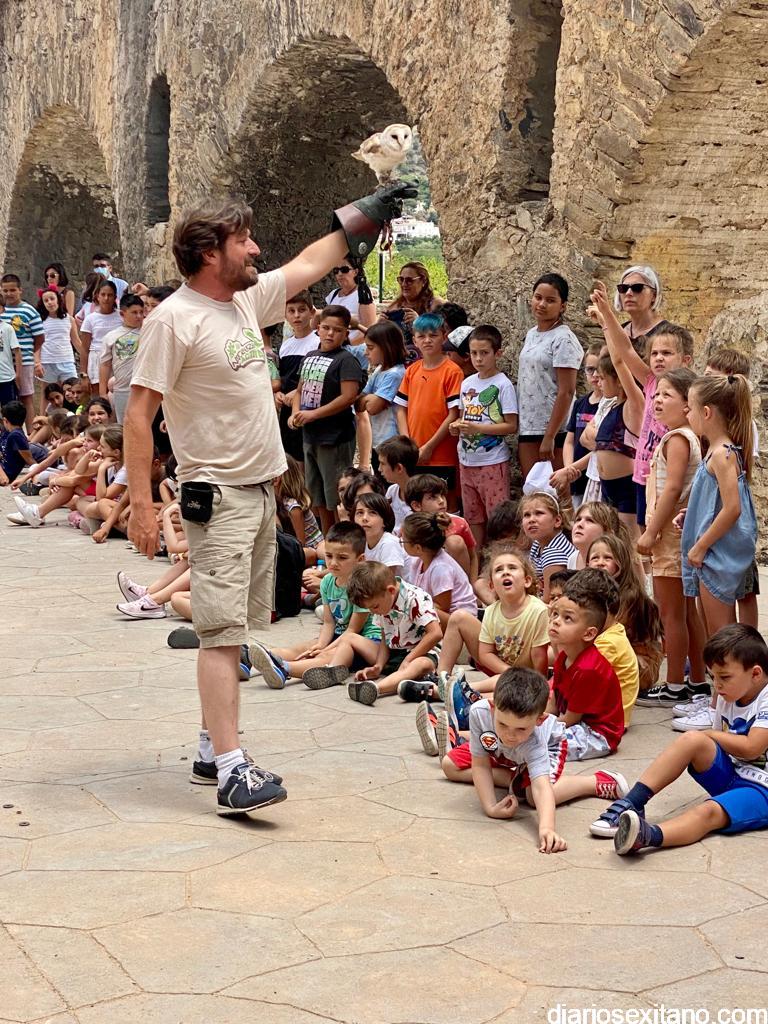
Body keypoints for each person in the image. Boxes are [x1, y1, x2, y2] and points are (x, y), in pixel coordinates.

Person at [125, 186, 411, 816]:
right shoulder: (174, 320)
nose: (256, 248)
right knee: (221, 633)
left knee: (239, 629)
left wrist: (366, 214)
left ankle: (210, 747)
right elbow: (139, 416)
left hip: (258, 492)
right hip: (217, 494)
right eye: (243, 239)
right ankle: (232, 770)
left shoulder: (244, 299)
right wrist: (142, 505)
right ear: (209, 252)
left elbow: (310, 262)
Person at [593, 624, 768, 854]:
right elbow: (715, 743)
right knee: (692, 739)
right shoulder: (729, 693)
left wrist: (710, 735)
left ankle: (647, 836)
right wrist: (704, 739)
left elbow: (752, 748)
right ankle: (633, 802)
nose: (717, 685)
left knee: (708, 812)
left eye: (724, 677)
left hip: (761, 790)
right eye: (713, 676)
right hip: (734, 774)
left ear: (755, 673)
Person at [434, 667, 627, 849]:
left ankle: (594, 782)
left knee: (533, 796)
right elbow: (481, 764)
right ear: (492, 707)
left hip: (549, 745)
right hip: (502, 748)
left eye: (520, 728)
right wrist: (490, 807)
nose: (510, 734)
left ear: (539, 720)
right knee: (449, 765)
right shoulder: (479, 713)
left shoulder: (536, 737)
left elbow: (541, 787)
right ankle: (518, 780)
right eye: (503, 724)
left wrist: (546, 829)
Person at [590, 279, 691, 533]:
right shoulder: (649, 382)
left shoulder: (692, 391)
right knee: (644, 539)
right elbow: (624, 350)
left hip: (668, 477)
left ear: (685, 360)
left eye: (666, 354)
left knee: (664, 540)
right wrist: (607, 313)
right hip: (643, 474)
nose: (658, 358)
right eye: (654, 354)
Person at [636, 367, 707, 710]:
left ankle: (676, 683)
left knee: (671, 613)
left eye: (667, 395)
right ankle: (697, 680)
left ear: (687, 404)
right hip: (679, 533)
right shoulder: (687, 437)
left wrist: (651, 532)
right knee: (687, 612)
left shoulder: (677, 439)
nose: (658, 400)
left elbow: (674, 488)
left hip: (668, 536)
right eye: (657, 394)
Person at [420, 544, 548, 733]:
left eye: (512, 568)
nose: (505, 572)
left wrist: (537, 686)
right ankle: (443, 681)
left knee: (499, 691)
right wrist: (508, 672)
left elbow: (539, 656)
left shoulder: (538, 610)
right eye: (499, 570)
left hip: (527, 677)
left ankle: (459, 696)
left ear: (527, 580)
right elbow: (485, 653)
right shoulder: (491, 611)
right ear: (491, 585)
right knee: (458, 617)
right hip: (501, 668)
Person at [249, 521, 383, 689]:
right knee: (308, 647)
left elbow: (352, 631)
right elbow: (328, 622)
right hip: (340, 636)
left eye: (342, 558)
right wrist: (320, 644)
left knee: (327, 654)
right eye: (329, 556)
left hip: (364, 642)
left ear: (360, 559)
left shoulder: (362, 586)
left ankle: (285, 668)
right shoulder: (327, 581)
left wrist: (325, 649)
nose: (333, 563)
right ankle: (253, 660)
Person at [681, 373, 757, 636]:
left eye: (690, 408)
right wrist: (692, 513)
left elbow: (733, 508)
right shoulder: (716, 451)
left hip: (716, 555)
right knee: (713, 632)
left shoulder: (723, 454)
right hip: (711, 553)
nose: (686, 413)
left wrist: (700, 546)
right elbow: (716, 500)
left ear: (706, 412)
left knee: (721, 635)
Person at [289, 304, 364, 535]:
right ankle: (327, 537)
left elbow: (348, 396)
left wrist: (313, 414)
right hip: (310, 436)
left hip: (334, 437)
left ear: (345, 333)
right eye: (326, 328)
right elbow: (299, 391)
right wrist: (295, 413)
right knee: (317, 494)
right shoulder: (310, 357)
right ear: (318, 329)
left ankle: (342, 537)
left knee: (336, 496)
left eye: (337, 330)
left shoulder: (346, 360)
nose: (330, 334)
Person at [706, 347, 760, 631]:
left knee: (743, 588)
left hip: (732, 516)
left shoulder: (740, 426)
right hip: (720, 511)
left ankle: (746, 644)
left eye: (710, 377)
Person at [449, 325, 518, 545]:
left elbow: (511, 425)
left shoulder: (503, 385)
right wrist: (457, 427)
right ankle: (477, 558)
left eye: (484, 353)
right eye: (474, 353)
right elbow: (463, 417)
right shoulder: (467, 383)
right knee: (473, 517)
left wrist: (478, 429)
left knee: (497, 518)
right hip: (467, 459)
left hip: (492, 460)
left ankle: (500, 555)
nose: (478, 359)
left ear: (498, 353)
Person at [547, 573, 625, 760]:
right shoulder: (563, 656)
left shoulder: (588, 668)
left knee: (536, 744)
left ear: (589, 634)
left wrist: (539, 728)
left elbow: (570, 719)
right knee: (524, 729)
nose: (556, 621)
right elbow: (554, 702)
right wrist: (539, 719)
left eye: (567, 618)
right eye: (555, 614)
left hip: (597, 735)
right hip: (574, 724)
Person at [344, 560, 443, 706]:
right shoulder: (382, 601)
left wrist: (409, 659)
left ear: (390, 590)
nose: (373, 612)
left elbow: (435, 633)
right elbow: (385, 635)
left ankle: (375, 689)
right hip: (394, 653)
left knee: (420, 665)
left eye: (374, 607)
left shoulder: (415, 598)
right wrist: (378, 666)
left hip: (422, 653)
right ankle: (333, 667)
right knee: (350, 638)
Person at [516, 273, 583, 480]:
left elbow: (566, 391)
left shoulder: (564, 339)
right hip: (529, 425)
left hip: (555, 429)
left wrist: (550, 436)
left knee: (558, 489)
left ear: (563, 306)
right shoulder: (532, 334)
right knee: (532, 488)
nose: (542, 304)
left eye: (550, 300)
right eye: (538, 297)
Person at [394, 312, 463, 498]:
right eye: (421, 336)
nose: (427, 340)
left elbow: (453, 414)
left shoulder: (452, 371)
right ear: (414, 340)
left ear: (444, 337)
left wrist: (429, 447)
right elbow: (401, 408)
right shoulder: (412, 371)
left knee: (444, 501)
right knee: (418, 500)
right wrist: (407, 444)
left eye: (433, 335)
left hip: (442, 454)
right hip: (414, 453)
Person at [587, 533, 664, 692]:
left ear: (621, 563)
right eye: (595, 558)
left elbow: (613, 636)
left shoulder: (629, 596)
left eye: (608, 558)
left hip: (640, 662)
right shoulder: (590, 591)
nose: (600, 563)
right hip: (611, 653)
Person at [401, 511, 477, 632]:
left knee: (418, 607)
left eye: (403, 540)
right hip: (441, 614)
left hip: (460, 621)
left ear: (418, 548)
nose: (401, 542)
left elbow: (442, 606)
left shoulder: (440, 568)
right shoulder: (417, 561)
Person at [592, 353, 643, 535]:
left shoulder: (633, 406)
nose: (598, 383)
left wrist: (610, 334)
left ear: (620, 380)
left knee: (629, 542)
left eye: (603, 378)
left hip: (626, 488)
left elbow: (620, 361)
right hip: (607, 487)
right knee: (611, 542)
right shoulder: (612, 406)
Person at [550, 343, 602, 508]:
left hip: (596, 475)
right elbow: (569, 441)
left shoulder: (609, 405)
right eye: (590, 369)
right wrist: (569, 468)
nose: (595, 375)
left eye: (599, 369)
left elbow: (601, 449)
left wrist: (570, 469)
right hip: (576, 476)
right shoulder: (580, 403)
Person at [404, 473, 476, 578]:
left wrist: (472, 584)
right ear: (417, 505)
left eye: (442, 495)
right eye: (432, 497)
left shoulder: (459, 523)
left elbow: (473, 557)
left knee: (454, 542)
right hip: (420, 580)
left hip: (454, 582)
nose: (441, 501)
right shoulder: (410, 527)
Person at [356, 321, 408, 468]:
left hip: (392, 443)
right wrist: (369, 398)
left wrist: (369, 399)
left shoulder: (395, 374)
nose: (366, 352)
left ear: (387, 347)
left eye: (370, 348)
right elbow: (359, 404)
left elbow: (372, 407)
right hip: (379, 442)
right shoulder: (379, 370)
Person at [276, 290, 318, 463]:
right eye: (291, 311)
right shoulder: (286, 346)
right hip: (287, 409)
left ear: (312, 312)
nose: (297, 315)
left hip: (308, 407)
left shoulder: (317, 342)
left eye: (301, 310)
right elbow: (283, 377)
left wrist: (298, 392)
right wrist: (279, 394)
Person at [0, 274, 45, 428]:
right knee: (8, 401)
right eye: (5, 290)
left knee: (26, 397)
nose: (9, 294)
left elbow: (40, 337)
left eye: (12, 290)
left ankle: (31, 432)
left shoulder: (29, 311)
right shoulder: (2, 309)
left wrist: (30, 353)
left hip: (24, 361)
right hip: (5, 364)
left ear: (20, 290)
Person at [519, 492, 575, 602]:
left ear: (557, 521)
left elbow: (549, 599)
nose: (531, 519)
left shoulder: (554, 552)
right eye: (527, 515)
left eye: (539, 513)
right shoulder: (537, 544)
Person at [99, 293, 146, 423]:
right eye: (134, 312)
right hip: (122, 389)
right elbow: (105, 365)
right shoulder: (111, 337)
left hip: (144, 388)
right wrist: (103, 393)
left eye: (141, 312)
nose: (139, 316)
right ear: (122, 313)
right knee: (124, 425)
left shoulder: (148, 331)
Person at [382, 260, 443, 353]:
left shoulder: (435, 305)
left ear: (423, 281)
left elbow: (443, 335)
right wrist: (379, 325)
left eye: (409, 280)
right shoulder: (394, 307)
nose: (404, 284)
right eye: (401, 279)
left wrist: (419, 323)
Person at [36, 287, 80, 403]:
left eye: (52, 299)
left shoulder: (69, 319)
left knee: (72, 390)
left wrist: (86, 355)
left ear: (58, 300)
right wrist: (37, 362)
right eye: (46, 300)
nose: (50, 302)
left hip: (67, 360)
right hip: (48, 362)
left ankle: (71, 413)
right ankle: (44, 414)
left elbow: (76, 341)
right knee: (47, 394)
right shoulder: (40, 321)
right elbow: (38, 343)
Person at [80, 280, 121, 395]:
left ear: (115, 297)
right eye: (103, 294)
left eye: (110, 295)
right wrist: (83, 374)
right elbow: (84, 349)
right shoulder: (90, 319)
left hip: (116, 358)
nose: (106, 298)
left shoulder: (121, 316)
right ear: (97, 296)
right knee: (98, 396)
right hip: (96, 358)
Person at [354, 492, 405, 575]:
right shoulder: (361, 541)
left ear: (384, 521)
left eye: (372, 513)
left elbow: (387, 579)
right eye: (360, 513)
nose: (364, 518)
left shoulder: (389, 543)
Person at [324, 261, 376, 341]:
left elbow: (369, 330)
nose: (340, 274)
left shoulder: (363, 295)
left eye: (344, 270)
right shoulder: (333, 294)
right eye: (336, 270)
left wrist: (348, 346)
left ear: (355, 272)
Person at [379, 433, 420, 533]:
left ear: (399, 468)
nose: (379, 469)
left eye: (383, 464)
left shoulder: (421, 496)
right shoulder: (392, 491)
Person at [0, 400, 37, 484]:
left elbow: (30, 460)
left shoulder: (16, 436)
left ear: (5, 420)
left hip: (5, 473)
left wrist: (36, 477)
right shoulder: (8, 432)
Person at [0, 311, 21, 405]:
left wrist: (18, 374)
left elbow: (17, 351)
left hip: (6, 378)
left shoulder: (7, 328)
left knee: (9, 410)